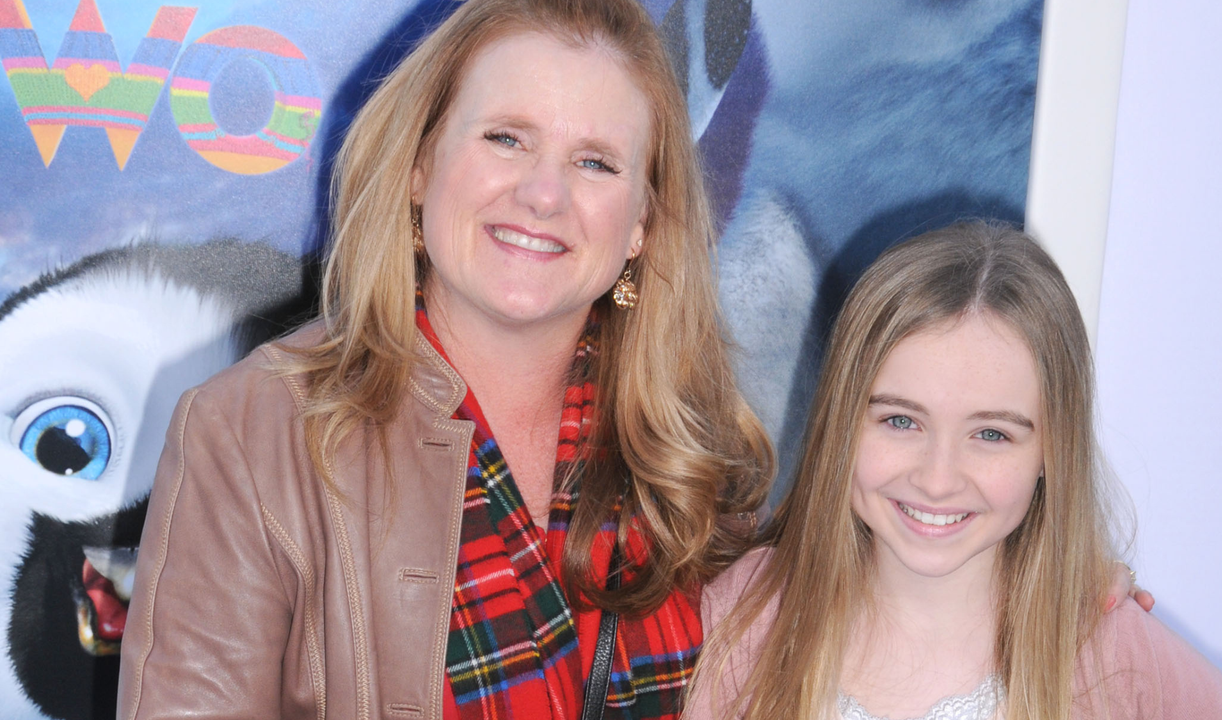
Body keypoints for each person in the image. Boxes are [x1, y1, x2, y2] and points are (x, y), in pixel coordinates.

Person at [116, 1, 773, 718]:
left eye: (595, 162)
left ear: (642, 223)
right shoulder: (250, 434)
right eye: (506, 139)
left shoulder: (695, 455)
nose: (543, 194)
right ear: (418, 168)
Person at [685, 221, 1222, 720]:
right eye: (900, 421)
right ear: (842, 419)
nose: (938, 479)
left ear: (1053, 450)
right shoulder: (740, 616)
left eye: (991, 434)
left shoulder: (1106, 650)